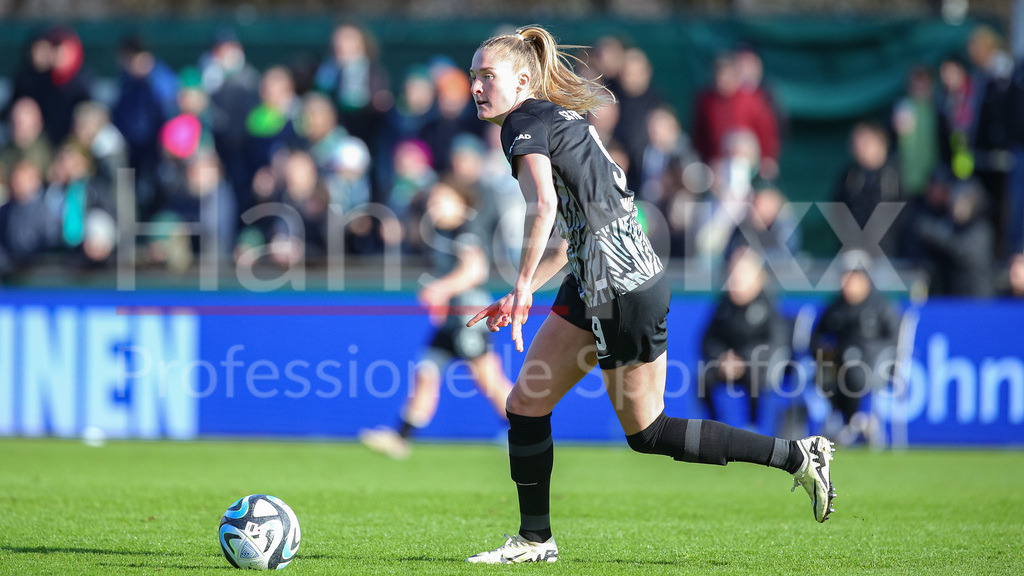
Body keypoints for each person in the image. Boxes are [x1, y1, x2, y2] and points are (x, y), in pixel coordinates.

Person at [463, 25, 835, 565]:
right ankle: (534, 541)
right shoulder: (553, 116)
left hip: (617, 285)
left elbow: (542, 207)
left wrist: (521, 287)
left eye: (486, 76)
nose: (476, 86)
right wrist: (522, 289)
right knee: (525, 403)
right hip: (605, 278)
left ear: (522, 80)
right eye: (473, 76)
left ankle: (798, 456)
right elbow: (576, 229)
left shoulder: (522, 121)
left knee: (649, 430)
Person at [359, 178, 513, 459]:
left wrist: (440, 289)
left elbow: (475, 270)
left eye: (442, 200)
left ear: (462, 203)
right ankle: (400, 437)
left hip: (468, 318)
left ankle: (523, 430)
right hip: (451, 320)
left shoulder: (466, 231)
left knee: (488, 380)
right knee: (426, 373)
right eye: (432, 201)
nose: (435, 207)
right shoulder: (441, 235)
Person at [810, 253, 900, 445]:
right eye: (844, 276)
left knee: (854, 373)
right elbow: (816, 338)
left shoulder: (881, 306)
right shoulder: (835, 307)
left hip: (870, 363)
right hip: (837, 364)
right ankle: (845, 422)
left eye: (852, 277)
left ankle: (855, 421)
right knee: (825, 373)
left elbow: (894, 341)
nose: (847, 283)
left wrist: (865, 351)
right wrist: (825, 350)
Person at [699, 248, 790, 431]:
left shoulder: (767, 304)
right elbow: (707, 339)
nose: (735, 279)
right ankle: (715, 427)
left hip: (757, 367)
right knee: (703, 378)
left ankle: (753, 426)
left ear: (757, 277)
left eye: (742, 274)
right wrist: (721, 358)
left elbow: (776, 342)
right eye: (732, 273)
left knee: (755, 376)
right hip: (726, 366)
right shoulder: (724, 305)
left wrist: (744, 360)